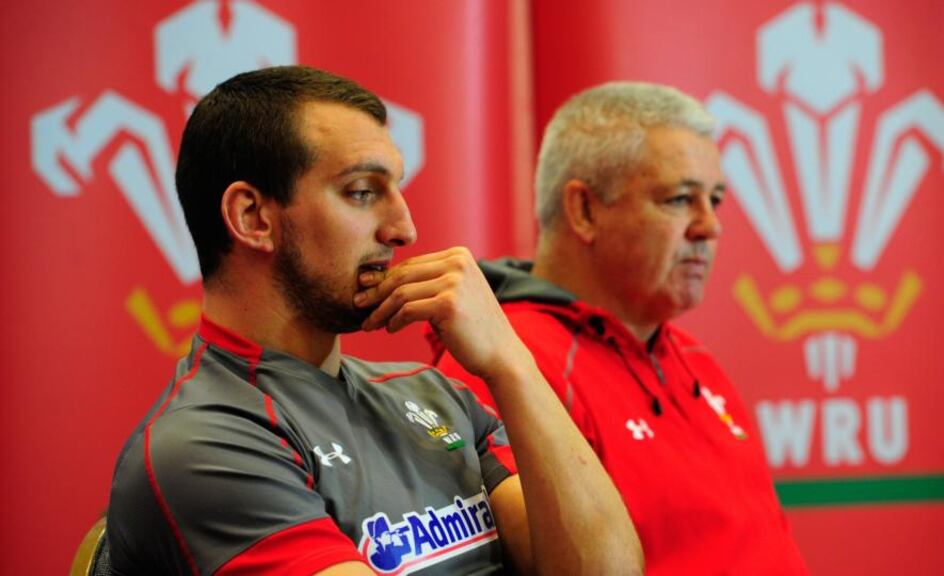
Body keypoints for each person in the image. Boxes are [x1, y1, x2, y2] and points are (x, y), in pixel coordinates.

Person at [106, 66, 642, 576]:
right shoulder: (205, 443)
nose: (404, 229)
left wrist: (511, 364)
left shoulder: (436, 395)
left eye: (396, 190)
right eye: (362, 192)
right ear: (253, 218)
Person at [432, 82, 808, 574]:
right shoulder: (502, 363)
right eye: (680, 199)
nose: (709, 226)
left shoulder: (693, 356)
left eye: (714, 199)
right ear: (585, 211)